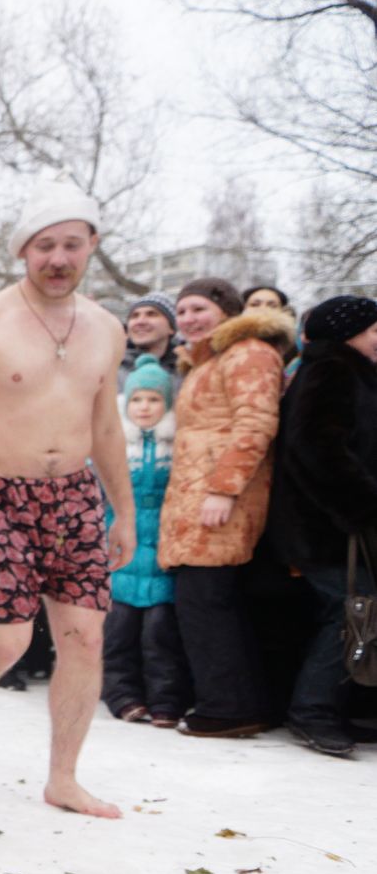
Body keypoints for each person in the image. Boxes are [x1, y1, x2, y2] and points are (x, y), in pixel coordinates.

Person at [0, 181, 137, 820]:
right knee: (7, 643)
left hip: (74, 495)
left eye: (71, 244)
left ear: (91, 247)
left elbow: (105, 428)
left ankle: (63, 777)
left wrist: (121, 510)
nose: (58, 257)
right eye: (45, 245)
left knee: (84, 639)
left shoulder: (106, 328)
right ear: (24, 251)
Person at [156, 277, 295, 737]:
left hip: (218, 500)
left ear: (227, 311)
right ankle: (238, 701)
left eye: (199, 309)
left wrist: (224, 488)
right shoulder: (210, 359)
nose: (189, 319)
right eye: (183, 311)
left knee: (206, 603)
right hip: (195, 497)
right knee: (207, 603)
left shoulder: (249, 352)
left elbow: (255, 423)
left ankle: (227, 707)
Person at [269, 295, 377, 756]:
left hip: (338, 527)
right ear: (347, 332)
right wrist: (362, 508)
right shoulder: (331, 371)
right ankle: (312, 710)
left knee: (356, 611)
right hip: (325, 529)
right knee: (350, 611)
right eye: (374, 329)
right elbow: (318, 451)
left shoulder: (352, 372)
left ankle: (338, 708)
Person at [100, 355, 190, 727]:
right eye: (137, 399)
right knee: (119, 629)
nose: (145, 407)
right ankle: (122, 694)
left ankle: (166, 698)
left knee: (159, 631)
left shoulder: (177, 445)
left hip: (162, 551)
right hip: (122, 549)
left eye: (153, 399)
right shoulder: (114, 442)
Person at [120, 292, 179, 385]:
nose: (140, 321)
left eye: (151, 314)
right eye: (134, 316)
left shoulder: (186, 372)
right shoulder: (112, 369)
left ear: (171, 328)